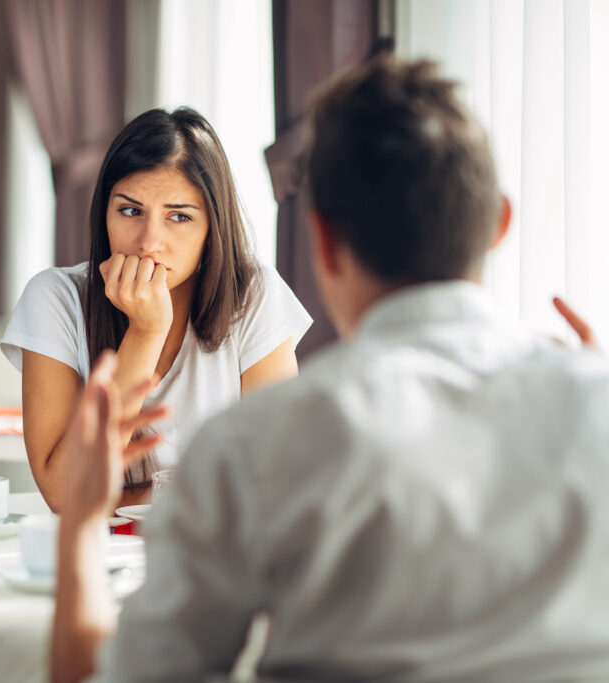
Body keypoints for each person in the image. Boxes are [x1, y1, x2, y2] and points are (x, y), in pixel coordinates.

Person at [51, 56, 609, 682]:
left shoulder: (254, 445)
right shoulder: (598, 404)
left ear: (321, 241)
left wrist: (77, 528)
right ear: (499, 223)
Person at [1, 108, 312, 511]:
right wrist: (146, 333)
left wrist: (126, 497)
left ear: (211, 230)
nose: (150, 242)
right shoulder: (55, 298)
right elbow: (65, 492)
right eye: (130, 211)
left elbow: (273, 483)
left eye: (179, 217)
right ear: (104, 216)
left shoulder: (254, 296)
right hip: (95, 558)